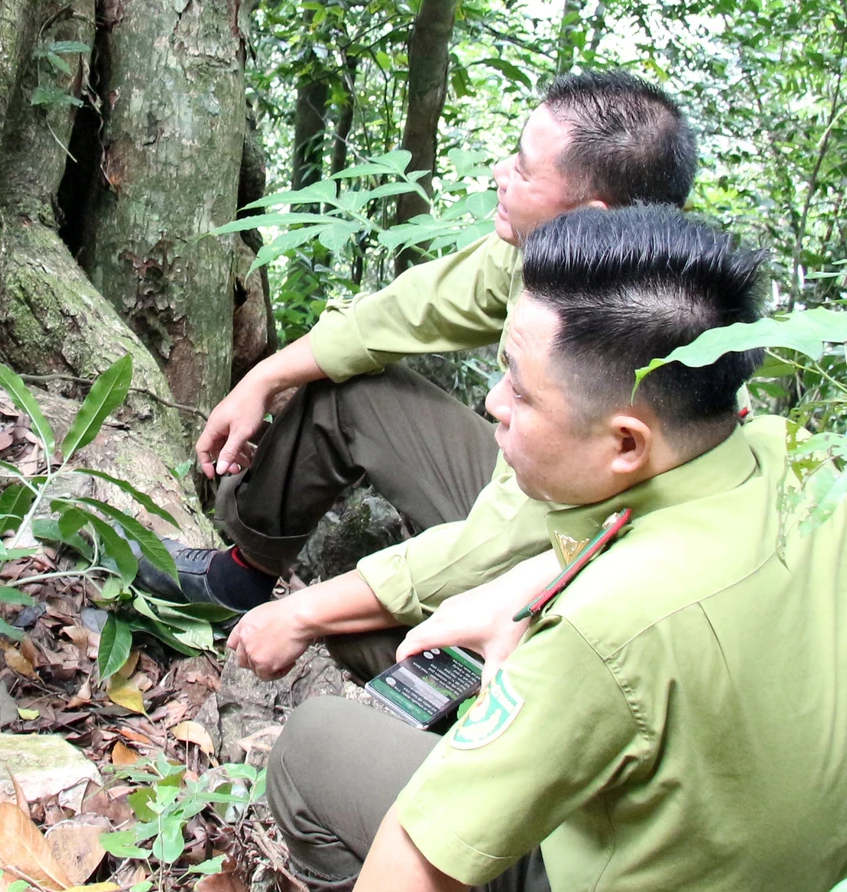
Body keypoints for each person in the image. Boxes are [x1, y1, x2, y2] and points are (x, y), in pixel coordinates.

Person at [152, 207, 847, 892]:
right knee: (433, 664)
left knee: (316, 750)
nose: (492, 404)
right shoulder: (799, 460)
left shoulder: (608, 626)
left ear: (626, 442)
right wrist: (522, 599)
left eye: (521, 390)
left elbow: (439, 841)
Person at [141, 71, 696, 613]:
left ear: (588, 215)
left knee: (358, 634)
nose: (501, 174)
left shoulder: (631, 333)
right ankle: (241, 576)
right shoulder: (547, 250)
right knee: (343, 388)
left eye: (524, 171)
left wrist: (313, 610)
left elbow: (509, 536)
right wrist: (263, 379)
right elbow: (406, 310)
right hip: (523, 493)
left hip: (577, 566)